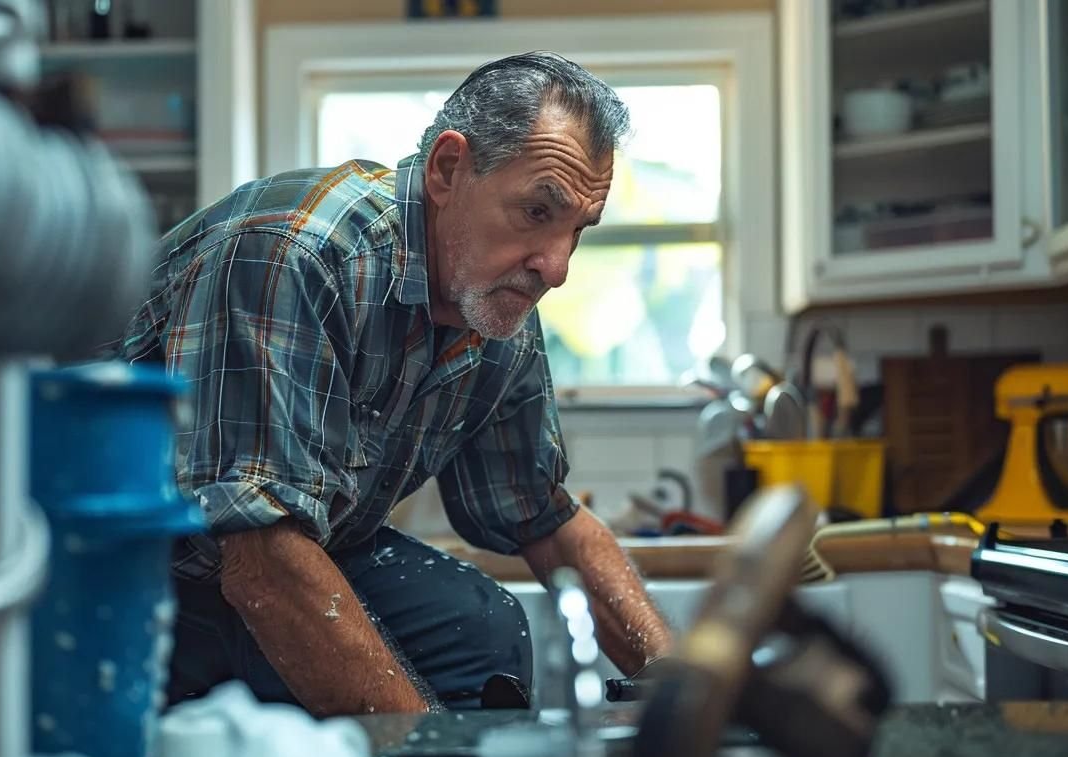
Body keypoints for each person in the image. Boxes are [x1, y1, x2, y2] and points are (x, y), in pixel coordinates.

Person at [118, 52, 673, 715]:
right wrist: (424, 754)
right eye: (535, 212)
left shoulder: (495, 306)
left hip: (290, 551)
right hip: (132, 572)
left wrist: (687, 691)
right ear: (447, 170)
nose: (556, 268)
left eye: (576, 231)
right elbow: (261, 560)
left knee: (482, 629)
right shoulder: (294, 253)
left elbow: (543, 517)